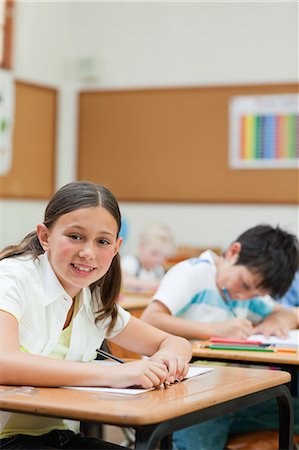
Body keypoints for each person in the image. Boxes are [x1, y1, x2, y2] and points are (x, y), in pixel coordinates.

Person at [0, 181, 192, 450]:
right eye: (75, 236)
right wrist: (115, 374)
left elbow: (174, 342)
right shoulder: (12, 277)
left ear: (116, 248)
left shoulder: (92, 297)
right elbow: (3, 363)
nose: (88, 252)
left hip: (60, 438)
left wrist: (166, 361)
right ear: (45, 236)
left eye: (102, 241)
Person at [141, 224, 299, 450]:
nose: (245, 296)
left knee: (290, 408)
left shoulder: (245, 291)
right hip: (183, 392)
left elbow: (284, 313)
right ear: (233, 252)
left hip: (228, 391)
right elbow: (150, 319)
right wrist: (215, 330)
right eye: (244, 285)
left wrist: (273, 322)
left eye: (256, 294)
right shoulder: (194, 273)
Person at [121, 223, 176, 293]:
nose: (158, 259)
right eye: (154, 253)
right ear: (141, 247)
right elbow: (121, 280)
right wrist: (155, 284)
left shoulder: (157, 269)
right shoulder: (130, 262)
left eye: (163, 256)